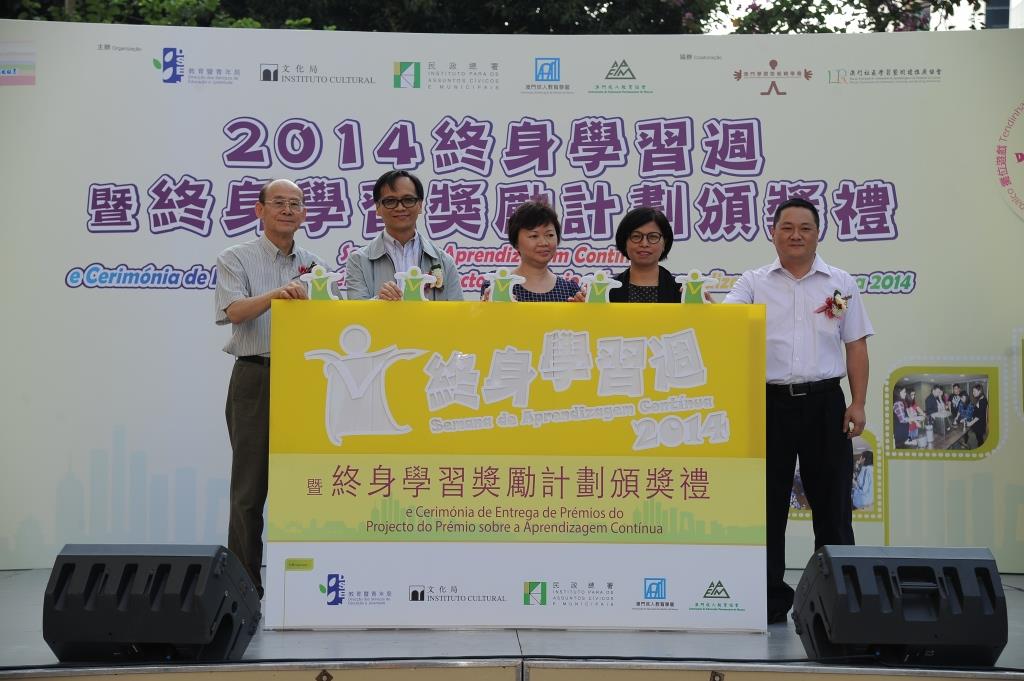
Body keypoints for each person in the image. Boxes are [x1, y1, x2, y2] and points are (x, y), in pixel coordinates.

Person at [723, 197, 873, 625]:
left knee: (833, 505)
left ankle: (837, 601)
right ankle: (770, 599)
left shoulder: (840, 282)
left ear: (817, 234)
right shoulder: (753, 282)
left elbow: (855, 345)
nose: (795, 235)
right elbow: (725, 323)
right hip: (769, 404)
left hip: (826, 403)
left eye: (804, 228)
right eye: (786, 227)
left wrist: (858, 402)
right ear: (772, 233)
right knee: (767, 506)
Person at [214, 179, 331, 597]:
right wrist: (277, 295)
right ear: (259, 210)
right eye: (278, 203)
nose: (287, 210)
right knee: (249, 490)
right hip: (257, 377)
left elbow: (329, 321)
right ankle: (245, 589)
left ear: (304, 214)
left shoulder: (316, 265)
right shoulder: (235, 257)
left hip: (304, 379)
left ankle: (302, 586)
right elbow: (233, 311)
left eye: (295, 204)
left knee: (306, 485)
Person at [345, 170, 463, 301]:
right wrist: (379, 301)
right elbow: (356, 311)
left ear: (420, 205)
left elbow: (457, 312)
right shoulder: (358, 261)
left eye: (408, 200)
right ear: (377, 208)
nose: (400, 208)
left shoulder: (444, 262)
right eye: (390, 201)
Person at [481, 200, 584, 302]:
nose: (544, 242)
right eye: (534, 236)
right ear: (516, 243)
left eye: (550, 235)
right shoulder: (497, 284)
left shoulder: (570, 290)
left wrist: (584, 307)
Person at [607, 207, 681, 302]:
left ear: (664, 243)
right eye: (636, 236)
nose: (644, 244)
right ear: (624, 242)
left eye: (653, 237)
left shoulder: (682, 291)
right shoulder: (608, 290)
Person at [966, 383, 989, 448]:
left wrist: (971, 423)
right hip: (978, 423)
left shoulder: (982, 401)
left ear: (979, 391)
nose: (973, 393)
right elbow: (977, 412)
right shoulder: (981, 399)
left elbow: (979, 415)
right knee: (978, 438)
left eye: (974, 391)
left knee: (980, 439)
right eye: (973, 391)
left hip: (979, 424)